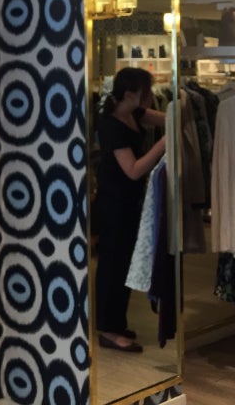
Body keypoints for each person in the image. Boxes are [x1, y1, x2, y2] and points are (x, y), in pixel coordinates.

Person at [94, 67, 166, 353]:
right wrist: (163, 144)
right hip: (113, 204)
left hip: (129, 201)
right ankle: (108, 329)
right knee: (112, 266)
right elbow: (133, 170)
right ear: (128, 94)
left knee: (122, 264)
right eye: (145, 92)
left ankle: (116, 324)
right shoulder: (110, 125)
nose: (150, 96)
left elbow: (168, 117)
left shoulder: (134, 113)